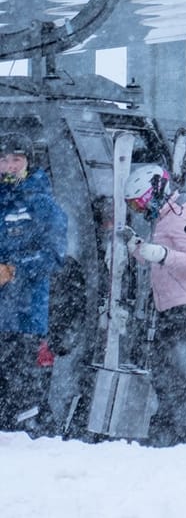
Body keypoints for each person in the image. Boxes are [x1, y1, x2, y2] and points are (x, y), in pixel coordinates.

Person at [125, 162, 186, 448]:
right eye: (135, 207)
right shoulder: (165, 217)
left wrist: (161, 253)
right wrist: (138, 248)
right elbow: (160, 256)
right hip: (175, 305)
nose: (141, 211)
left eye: (141, 204)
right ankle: (168, 430)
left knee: (171, 370)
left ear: (157, 190)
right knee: (166, 368)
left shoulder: (181, 216)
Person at [0, 129, 67, 435]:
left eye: (16, 159)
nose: (9, 165)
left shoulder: (41, 203)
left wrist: (14, 270)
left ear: (28, 162)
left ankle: (32, 433)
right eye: (4, 159)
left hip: (23, 315)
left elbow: (54, 255)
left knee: (20, 381)